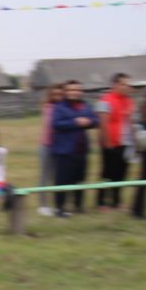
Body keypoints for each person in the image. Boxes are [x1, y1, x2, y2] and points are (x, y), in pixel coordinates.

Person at [49, 80, 99, 215]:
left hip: (81, 150)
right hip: (65, 151)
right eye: (71, 90)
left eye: (77, 90)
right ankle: (59, 208)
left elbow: (96, 120)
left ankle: (78, 206)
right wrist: (75, 122)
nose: (74, 92)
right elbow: (56, 124)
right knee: (62, 180)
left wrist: (89, 122)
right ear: (65, 92)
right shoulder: (59, 107)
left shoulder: (85, 105)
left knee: (80, 179)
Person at [96, 72, 135, 210]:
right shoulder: (105, 101)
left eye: (128, 84)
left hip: (125, 143)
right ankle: (101, 202)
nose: (127, 87)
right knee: (107, 173)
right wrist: (107, 144)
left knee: (121, 173)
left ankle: (116, 201)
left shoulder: (129, 101)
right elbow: (103, 124)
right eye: (124, 84)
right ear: (115, 85)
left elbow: (130, 121)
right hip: (110, 144)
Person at [35, 83, 65, 216]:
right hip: (47, 145)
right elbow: (52, 126)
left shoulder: (64, 107)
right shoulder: (48, 108)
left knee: (57, 177)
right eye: (54, 94)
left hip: (60, 146)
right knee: (44, 176)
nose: (57, 97)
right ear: (50, 95)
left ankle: (57, 205)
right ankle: (43, 205)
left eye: (60, 94)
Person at [135, 85, 146, 221]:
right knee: (144, 180)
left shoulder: (145, 108)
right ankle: (138, 210)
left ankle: (138, 210)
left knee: (144, 180)